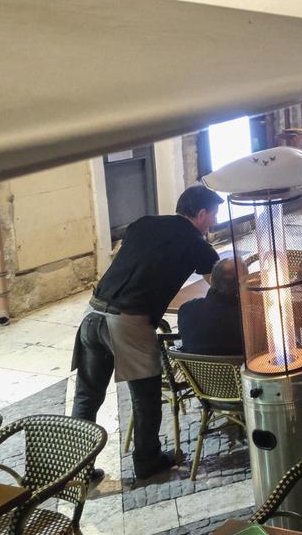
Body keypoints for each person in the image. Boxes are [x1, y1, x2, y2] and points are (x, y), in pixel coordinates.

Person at [72, 185, 223, 481]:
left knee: (87, 397)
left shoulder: (144, 223)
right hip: (128, 321)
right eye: (213, 215)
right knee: (147, 397)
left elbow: (129, 257)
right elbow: (218, 285)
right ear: (202, 213)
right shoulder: (196, 243)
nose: (214, 222)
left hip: (92, 313)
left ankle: (77, 470)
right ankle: (147, 460)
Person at [177, 258, 243, 356]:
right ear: (243, 284)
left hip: (195, 370)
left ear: (211, 279)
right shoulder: (249, 319)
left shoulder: (185, 310)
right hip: (240, 370)